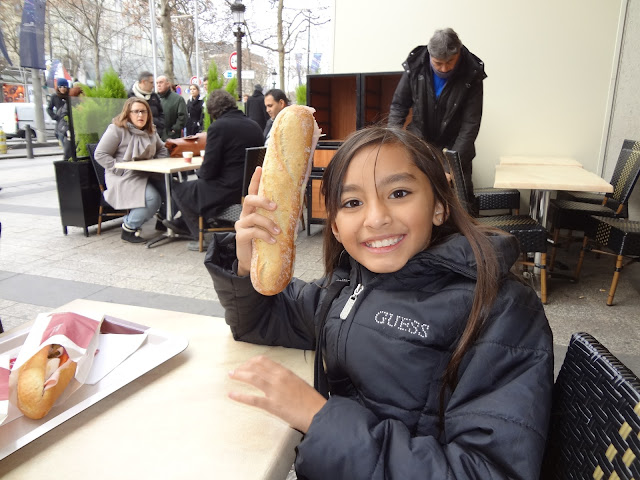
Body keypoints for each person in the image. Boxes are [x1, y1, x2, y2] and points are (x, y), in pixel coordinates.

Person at [204, 126, 553, 479]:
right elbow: (261, 322)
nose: (376, 218)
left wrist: (319, 418)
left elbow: (490, 470)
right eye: (352, 203)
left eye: (399, 193)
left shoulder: (501, 309)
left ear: (439, 206)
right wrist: (247, 265)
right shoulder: (348, 286)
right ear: (335, 226)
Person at [389, 28, 486, 211]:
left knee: (463, 203)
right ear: (429, 55)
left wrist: (450, 168)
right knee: (420, 199)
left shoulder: (472, 72)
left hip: (456, 147)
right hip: (420, 141)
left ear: (458, 53)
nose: (444, 68)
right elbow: (399, 106)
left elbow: (470, 124)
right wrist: (391, 141)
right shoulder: (415, 65)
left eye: (449, 62)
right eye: (438, 63)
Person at [166, 90, 264, 249]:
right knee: (194, 189)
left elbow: (208, 171)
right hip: (249, 189)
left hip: (227, 191)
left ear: (212, 111)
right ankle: (181, 223)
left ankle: (199, 235)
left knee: (178, 188)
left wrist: (199, 172)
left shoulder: (218, 127)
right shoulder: (254, 126)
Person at [94, 97, 169, 243]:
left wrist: (156, 164)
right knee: (152, 199)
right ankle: (129, 228)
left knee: (176, 191)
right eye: (136, 111)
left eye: (144, 111)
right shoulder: (116, 129)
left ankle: (163, 221)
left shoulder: (151, 130)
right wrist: (120, 169)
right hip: (122, 176)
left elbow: (162, 149)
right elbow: (100, 154)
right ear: (128, 113)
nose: (140, 115)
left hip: (146, 174)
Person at [128, 71, 165, 140]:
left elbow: (161, 113)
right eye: (151, 82)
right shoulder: (130, 96)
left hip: (155, 134)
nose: (153, 86)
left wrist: (160, 127)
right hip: (136, 136)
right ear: (144, 82)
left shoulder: (154, 96)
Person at [156, 74, 187, 140]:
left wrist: (175, 129)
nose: (158, 85)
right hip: (157, 137)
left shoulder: (178, 99)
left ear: (168, 84)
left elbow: (183, 116)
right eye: (157, 83)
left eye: (161, 82)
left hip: (172, 137)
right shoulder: (155, 99)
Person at [47, 78, 69, 146]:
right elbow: (49, 108)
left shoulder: (70, 96)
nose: (62, 89)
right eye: (60, 87)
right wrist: (55, 116)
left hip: (70, 122)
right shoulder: (55, 97)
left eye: (64, 87)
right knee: (62, 139)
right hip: (60, 123)